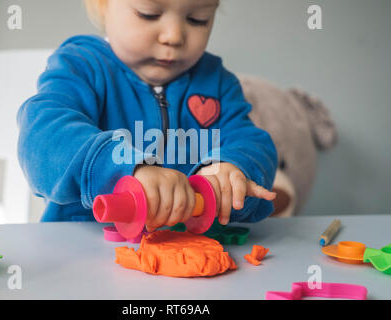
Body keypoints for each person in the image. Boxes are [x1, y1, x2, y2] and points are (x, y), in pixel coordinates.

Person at [17, 0, 278, 231]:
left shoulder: (219, 84)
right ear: (103, 5)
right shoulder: (80, 66)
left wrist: (233, 172)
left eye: (198, 19)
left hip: (185, 256)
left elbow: (251, 143)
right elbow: (42, 135)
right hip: (79, 253)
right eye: (149, 14)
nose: (174, 36)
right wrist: (124, 171)